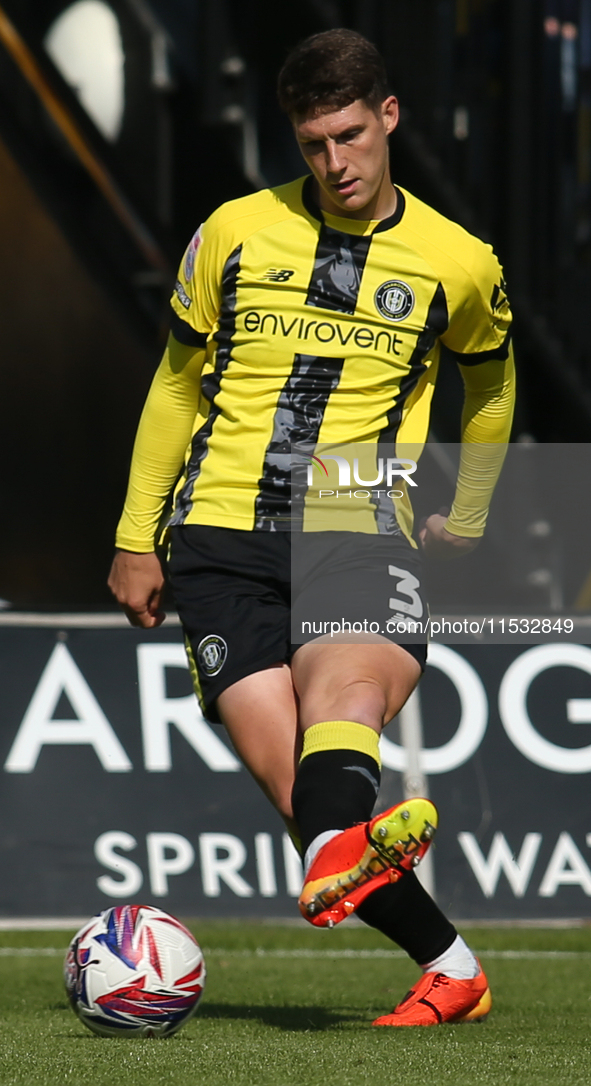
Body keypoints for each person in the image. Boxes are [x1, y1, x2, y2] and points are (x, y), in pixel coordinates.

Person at [108, 28, 515, 1026]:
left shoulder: (458, 263)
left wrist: (471, 507)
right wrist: (133, 534)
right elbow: (175, 385)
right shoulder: (235, 232)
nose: (334, 163)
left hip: (354, 505)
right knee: (310, 800)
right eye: (312, 144)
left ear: (388, 117)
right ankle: (453, 967)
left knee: (347, 691)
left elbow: (495, 382)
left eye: (348, 136)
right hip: (217, 528)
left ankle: (363, 856)